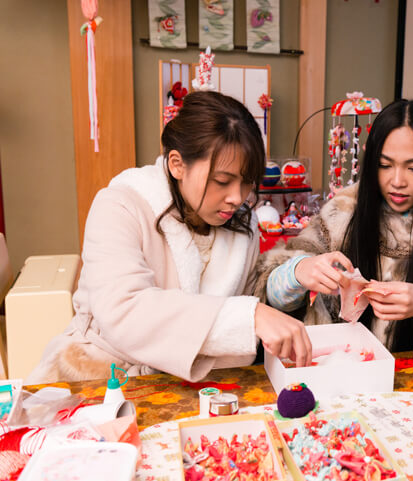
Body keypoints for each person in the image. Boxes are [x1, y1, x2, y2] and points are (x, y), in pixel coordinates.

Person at [28, 91, 312, 384]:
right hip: (97, 377)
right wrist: (249, 317)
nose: (236, 198)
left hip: (193, 386)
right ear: (177, 164)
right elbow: (125, 311)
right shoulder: (120, 206)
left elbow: (254, 295)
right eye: (223, 181)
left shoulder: (242, 224)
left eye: (247, 182)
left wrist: (296, 273)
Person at [255, 99, 413, 355]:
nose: (397, 181)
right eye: (385, 165)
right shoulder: (343, 210)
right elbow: (272, 298)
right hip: (344, 370)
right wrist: (297, 271)